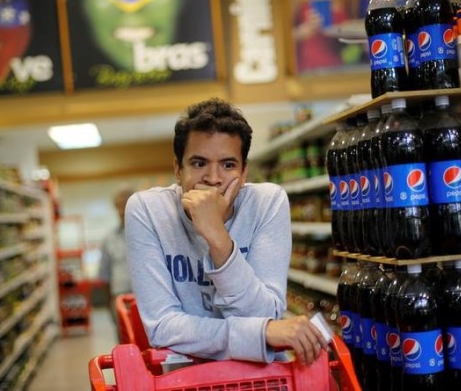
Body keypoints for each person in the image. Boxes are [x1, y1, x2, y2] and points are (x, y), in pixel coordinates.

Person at [125, 97, 330, 365]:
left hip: (259, 374)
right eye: (199, 164)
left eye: (228, 165)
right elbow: (163, 326)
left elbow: (266, 312)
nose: (213, 178)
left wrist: (217, 237)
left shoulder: (267, 203)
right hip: (186, 374)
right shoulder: (147, 210)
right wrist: (259, 334)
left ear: (244, 173)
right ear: (178, 170)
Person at [99, 186, 135, 338]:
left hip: (145, 298)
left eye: (126, 203)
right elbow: (105, 275)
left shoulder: (150, 233)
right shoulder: (109, 238)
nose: (122, 209)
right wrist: (110, 304)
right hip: (119, 298)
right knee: (124, 338)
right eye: (119, 204)